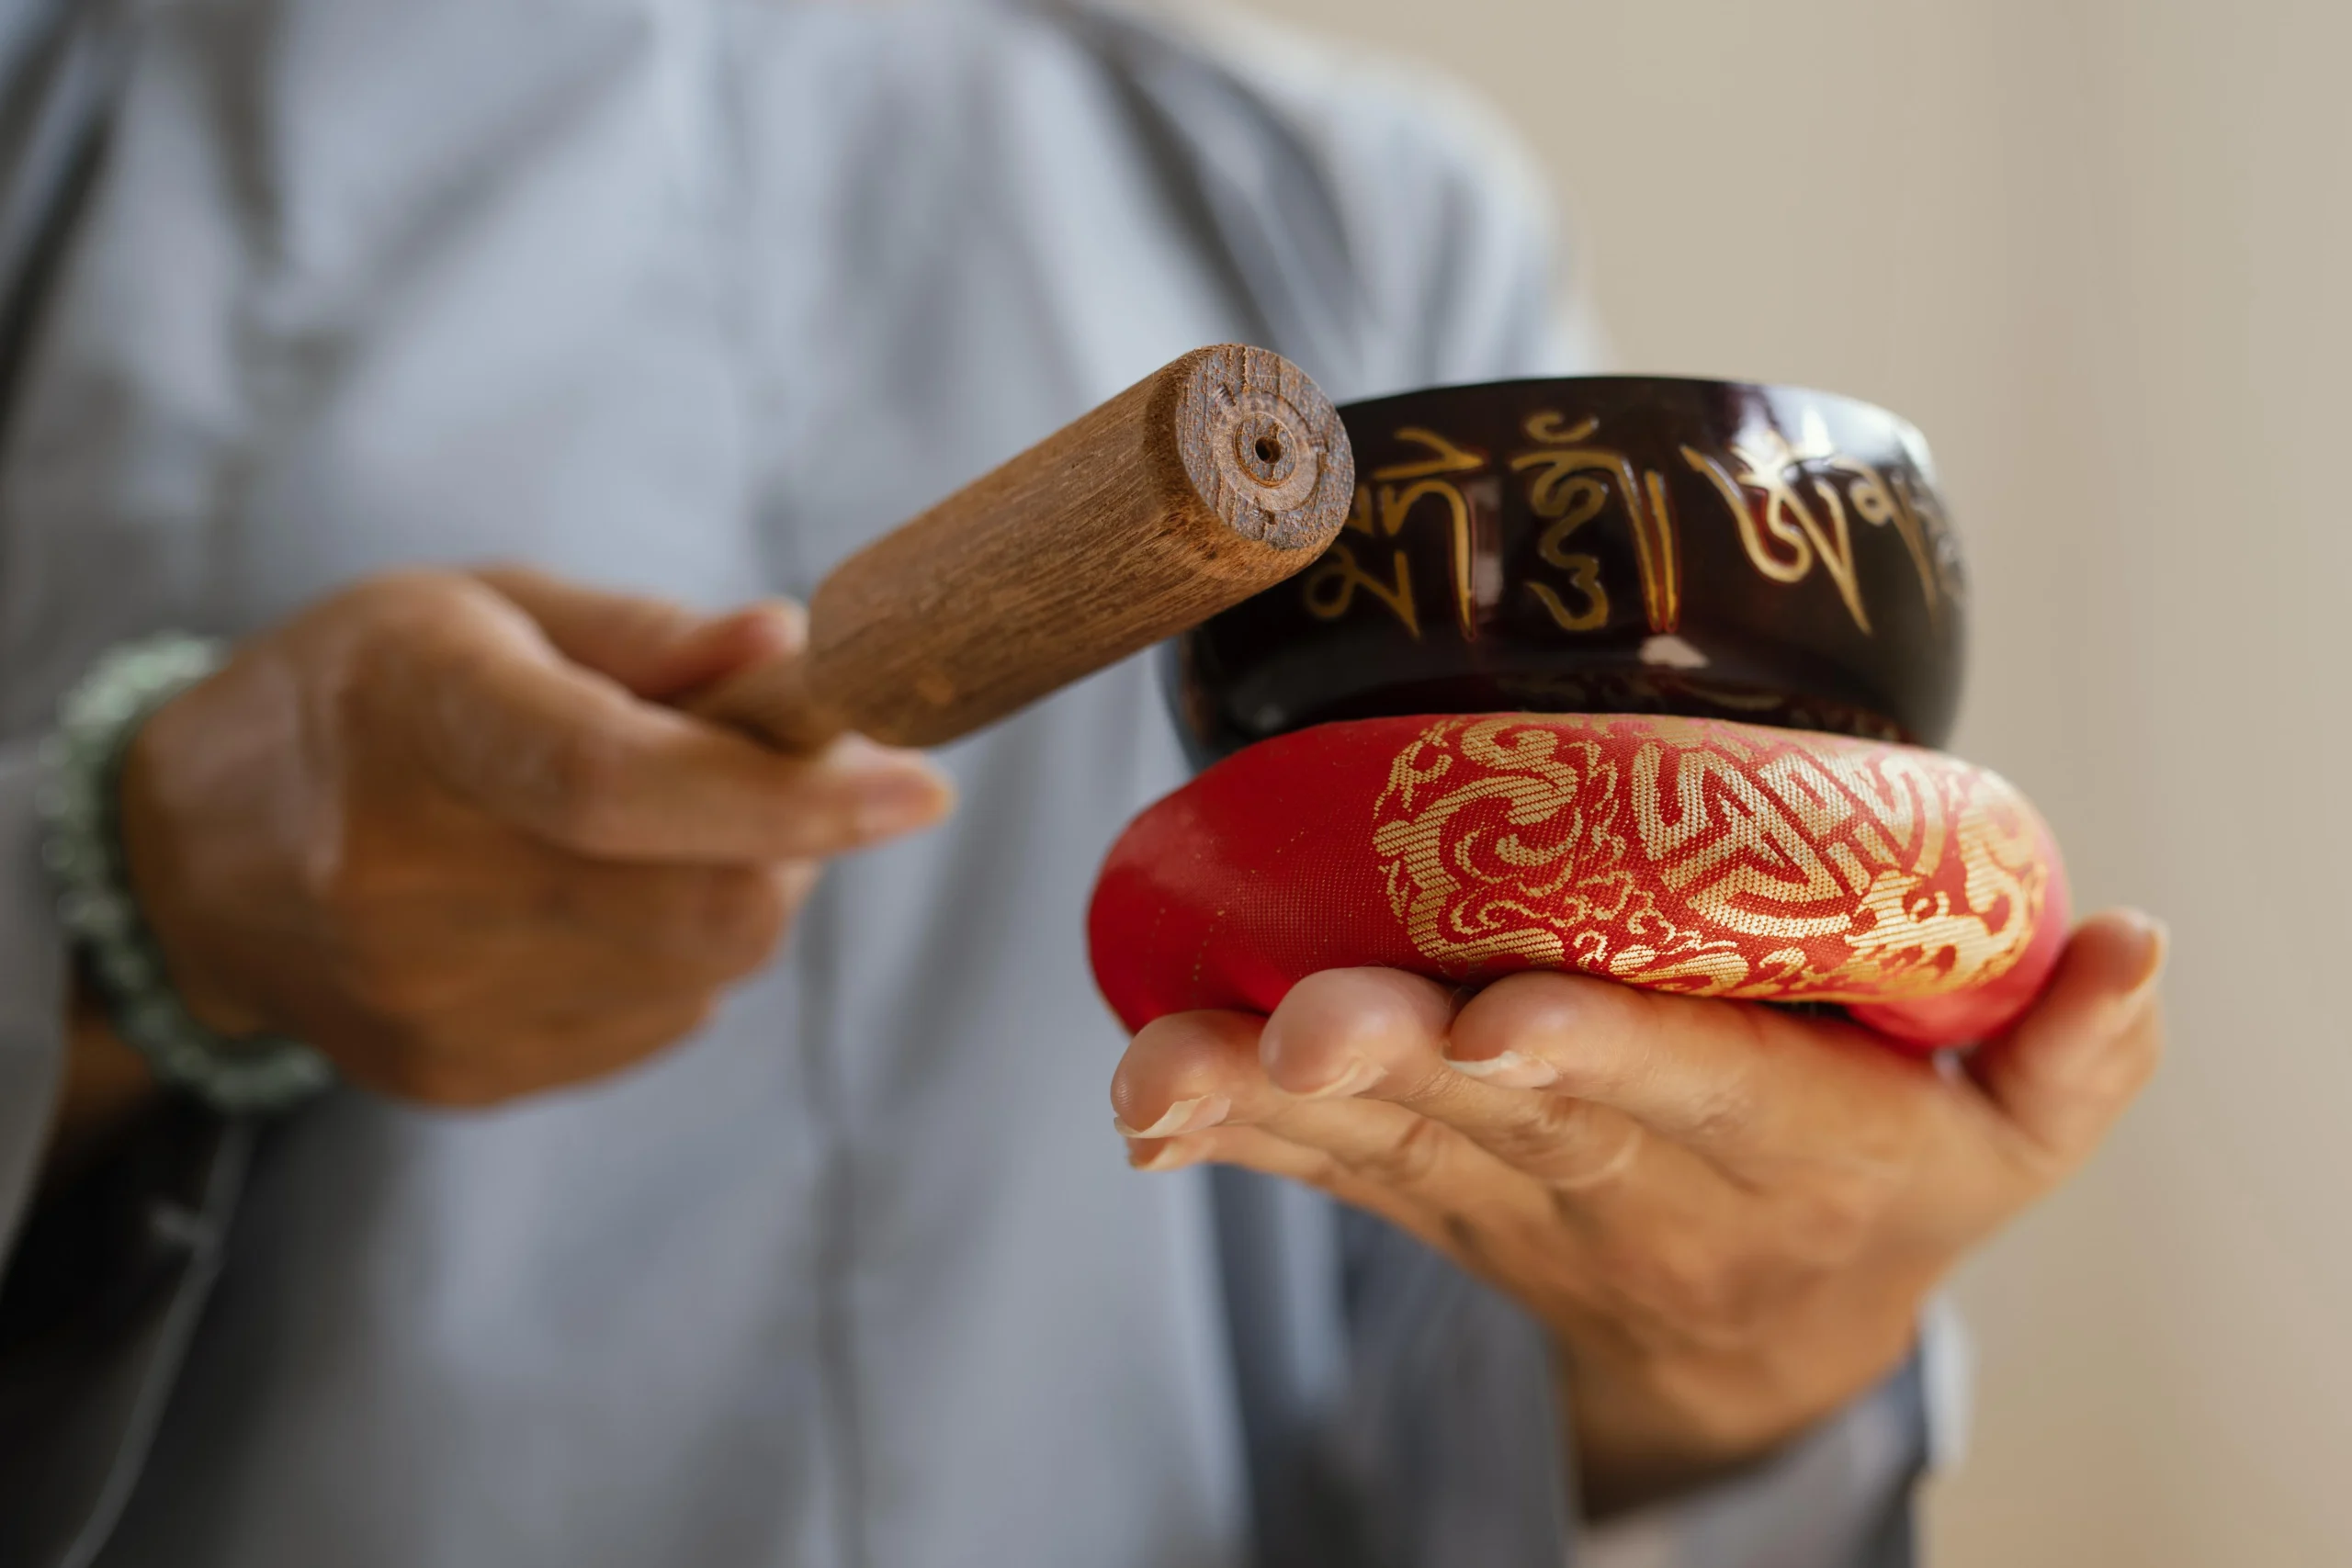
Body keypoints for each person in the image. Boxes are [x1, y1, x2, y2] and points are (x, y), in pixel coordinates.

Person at [0, 1, 2165, 1564]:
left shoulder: (1356, 208)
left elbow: (1433, 1365)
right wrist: (131, 901)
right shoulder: (62, 107)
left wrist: (1721, 1369)